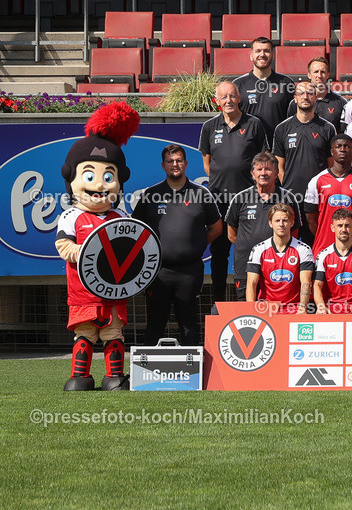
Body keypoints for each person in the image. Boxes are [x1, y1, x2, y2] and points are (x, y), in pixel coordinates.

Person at [56, 101, 140, 391]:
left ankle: (114, 376)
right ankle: (80, 376)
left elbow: (134, 250)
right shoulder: (71, 216)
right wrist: (86, 252)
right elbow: (64, 247)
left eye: (108, 176)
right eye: (90, 176)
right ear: (73, 177)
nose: (100, 184)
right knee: (85, 333)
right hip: (82, 292)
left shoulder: (121, 217)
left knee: (113, 333)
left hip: (115, 290)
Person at [133, 145, 222, 346]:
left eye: (179, 160)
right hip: (157, 272)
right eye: (170, 161)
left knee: (189, 324)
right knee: (155, 323)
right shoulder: (150, 195)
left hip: (189, 272)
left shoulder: (201, 194)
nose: (175, 164)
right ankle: (146, 374)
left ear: (186, 164)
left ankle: (192, 374)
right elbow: (136, 229)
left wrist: (196, 245)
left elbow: (216, 228)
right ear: (163, 165)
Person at [199, 80, 268, 302]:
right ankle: (218, 304)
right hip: (219, 201)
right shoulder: (209, 127)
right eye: (223, 97)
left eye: (232, 96)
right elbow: (208, 165)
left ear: (239, 98)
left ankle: (254, 302)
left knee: (250, 255)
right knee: (219, 256)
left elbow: (263, 160)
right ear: (216, 102)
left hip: (249, 201)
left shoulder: (254, 124)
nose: (228, 101)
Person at [225, 151, 302, 299]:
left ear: (276, 173)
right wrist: (255, 251)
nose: (263, 173)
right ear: (252, 174)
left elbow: (294, 233)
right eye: (259, 169)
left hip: (279, 270)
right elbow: (231, 234)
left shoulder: (288, 198)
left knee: (278, 315)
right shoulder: (240, 198)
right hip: (245, 267)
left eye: (268, 169)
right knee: (247, 315)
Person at [304, 134, 352, 255]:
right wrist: (325, 234)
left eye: (347, 146)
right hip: (324, 248)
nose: (342, 149)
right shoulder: (317, 181)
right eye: (338, 146)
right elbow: (311, 220)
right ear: (332, 152)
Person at [272, 80, 337, 202]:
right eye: (301, 94)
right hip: (291, 197)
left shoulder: (328, 128)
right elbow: (279, 166)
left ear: (315, 98)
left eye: (309, 93)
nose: (305, 97)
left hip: (319, 195)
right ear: (295, 98)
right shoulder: (281, 129)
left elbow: (332, 165)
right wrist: (287, 189)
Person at [245, 204, 314, 313]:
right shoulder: (258, 249)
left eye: (285, 220)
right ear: (270, 223)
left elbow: (305, 283)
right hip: (266, 309)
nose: (281, 224)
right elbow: (251, 284)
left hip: (294, 309)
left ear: (292, 223)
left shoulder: (303, 249)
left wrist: (302, 308)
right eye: (277, 221)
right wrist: (250, 311)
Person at [312, 208, 352, 314]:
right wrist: (321, 307)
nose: (343, 229)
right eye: (339, 226)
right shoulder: (323, 255)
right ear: (332, 228)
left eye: (347, 225)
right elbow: (317, 285)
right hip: (332, 308)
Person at [232, 36, 294, 137]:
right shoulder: (238, 84)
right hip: (248, 146)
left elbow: (294, 117)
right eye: (258, 51)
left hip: (277, 147)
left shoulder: (286, 83)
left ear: (273, 55)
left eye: (266, 51)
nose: (262, 54)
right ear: (251, 55)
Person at [286, 57, 346, 131]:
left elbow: (343, 132)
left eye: (323, 72)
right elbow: (290, 128)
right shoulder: (297, 102)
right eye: (316, 72)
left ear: (328, 74)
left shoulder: (340, 102)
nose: (319, 75)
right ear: (309, 75)